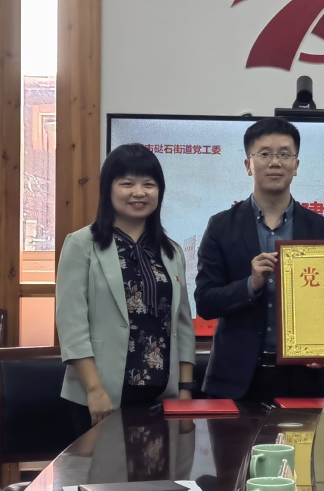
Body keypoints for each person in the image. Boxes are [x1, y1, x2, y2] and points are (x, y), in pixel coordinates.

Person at [56, 143, 196, 433]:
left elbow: (182, 325)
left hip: (162, 397)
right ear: (108, 189)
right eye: (127, 183)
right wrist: (94, 390)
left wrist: (185, 392)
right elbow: (72, 325)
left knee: (165, 465)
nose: (139, 192)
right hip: (101, 397)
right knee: (100, 465)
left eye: (149, 184)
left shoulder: (171, 252)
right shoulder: (82, 244)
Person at [195, 117, 324, 401]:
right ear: (248, 165)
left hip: (301, 379)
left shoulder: (320, 229)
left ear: (296, 165)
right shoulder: (221, 226)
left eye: (284, 154)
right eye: (264, 154)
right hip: (234, 381)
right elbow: (206, 303)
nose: (275, 162)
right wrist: (251, 285)